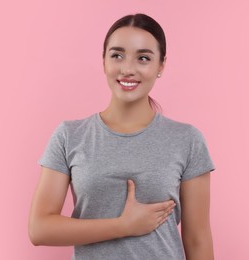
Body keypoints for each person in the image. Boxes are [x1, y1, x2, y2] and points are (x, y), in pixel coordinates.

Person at [28, 13, 215, 260]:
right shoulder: (69, 136)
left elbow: (197, 240)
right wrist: (123, 226)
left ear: (161, 66)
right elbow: (39, 229)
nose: (128, 69)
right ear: (103, 61)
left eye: (143, 58)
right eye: (117, 55)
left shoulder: (187, 140)